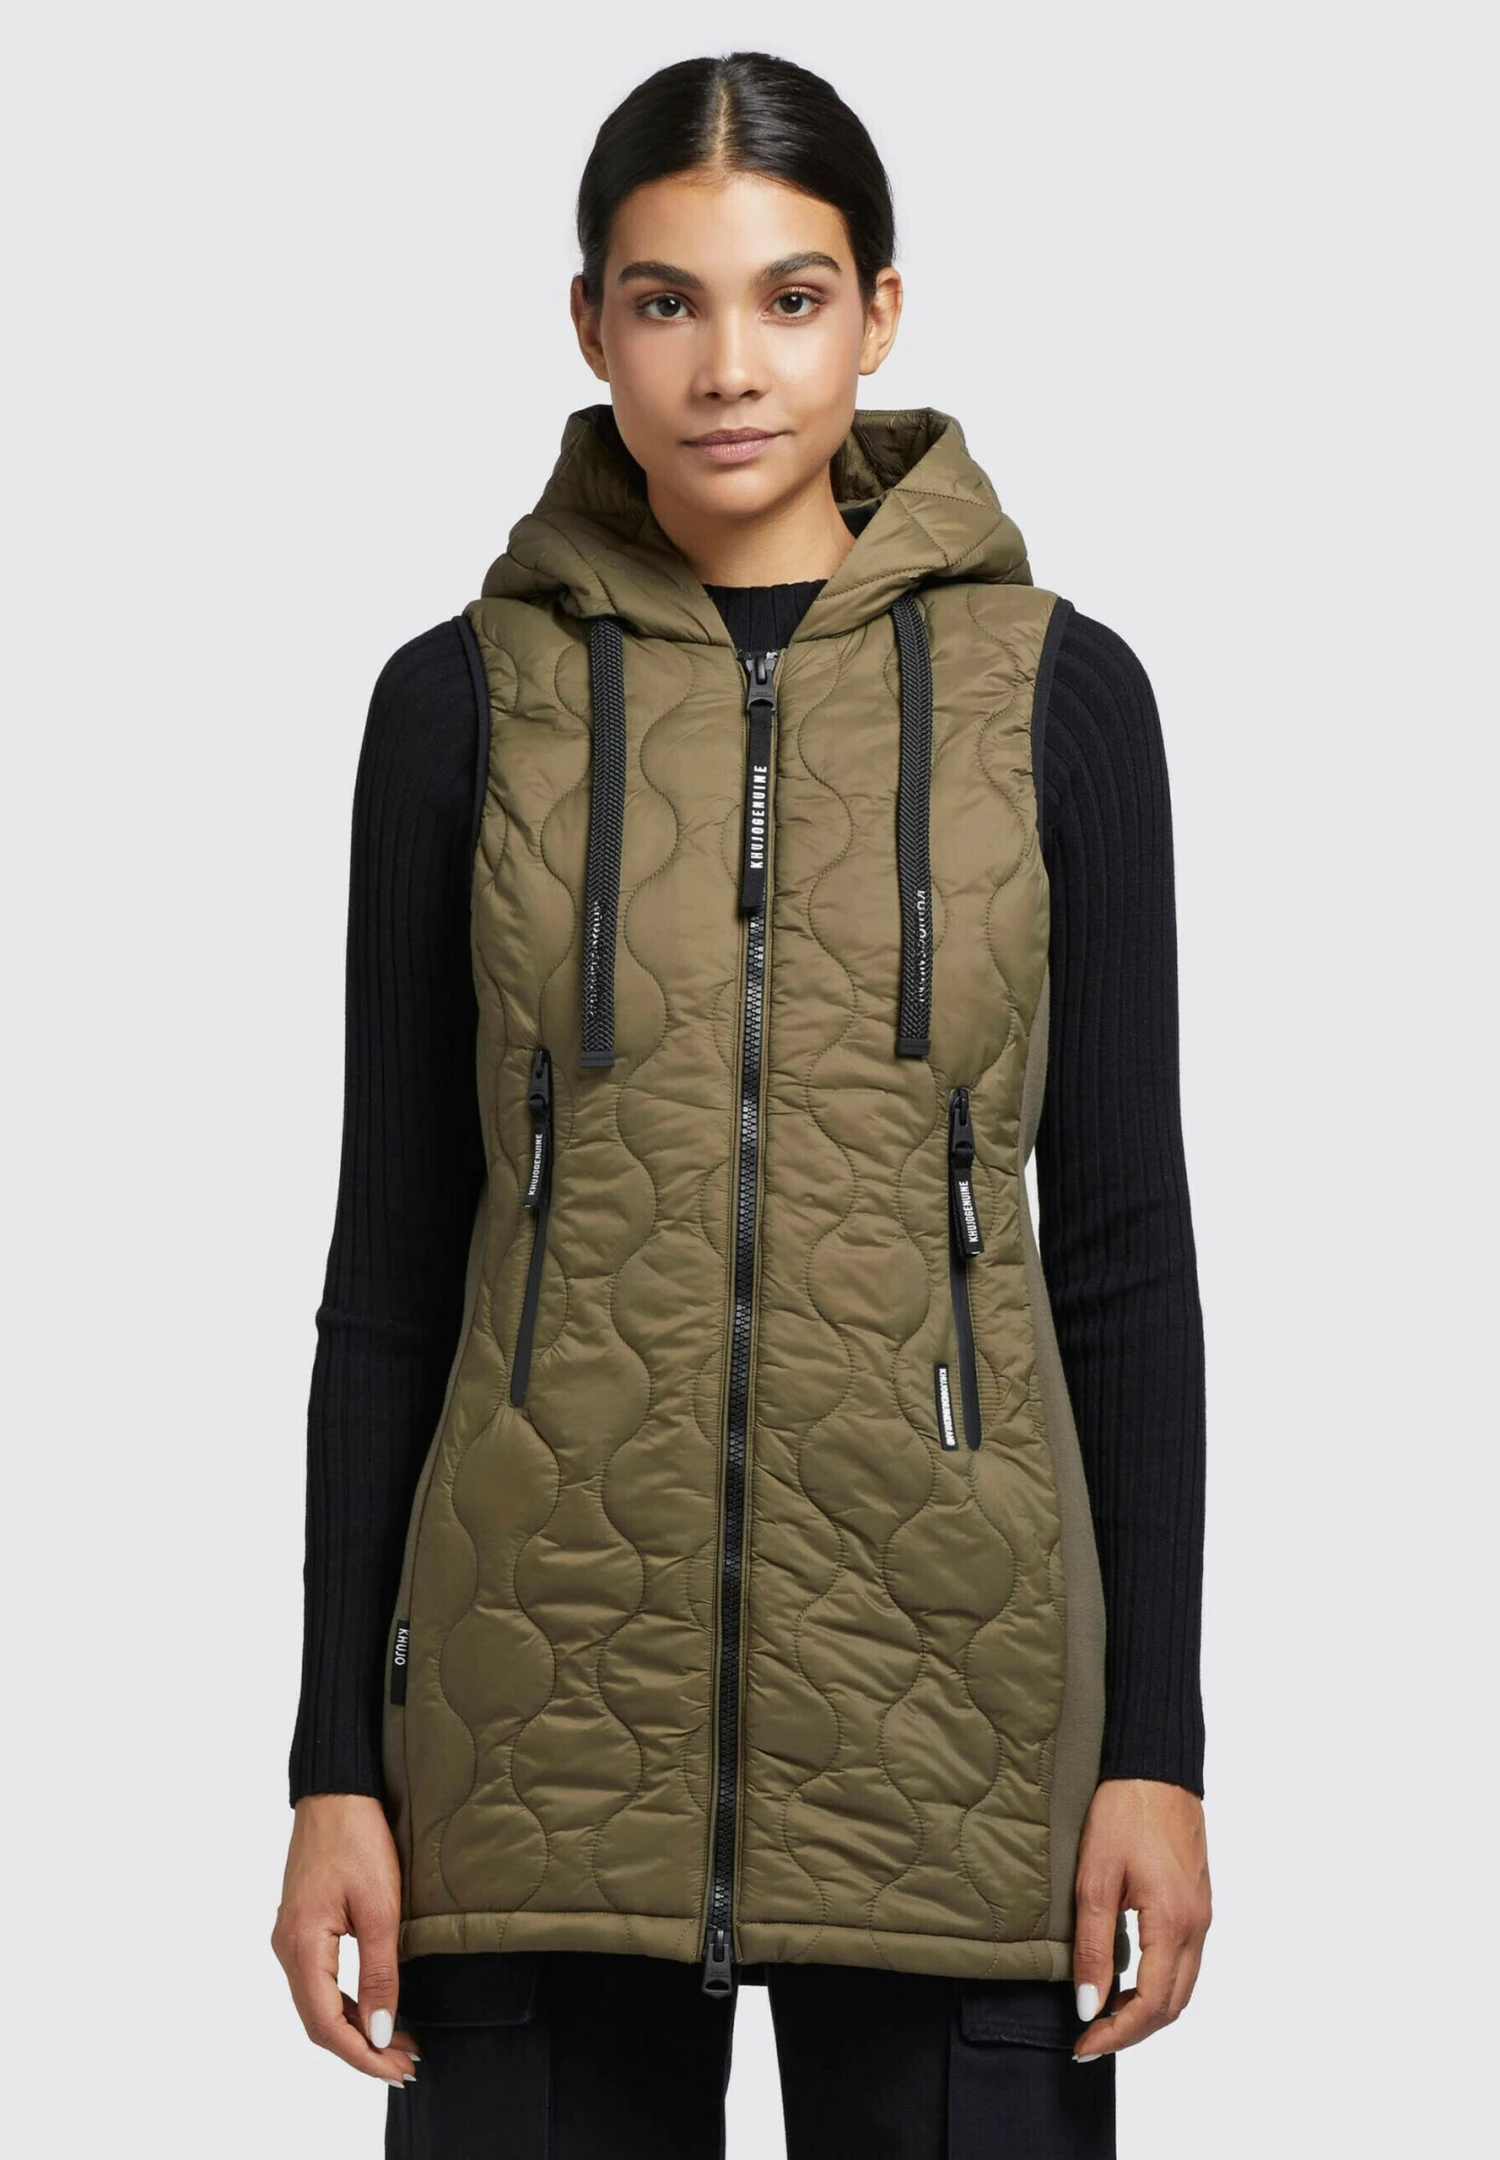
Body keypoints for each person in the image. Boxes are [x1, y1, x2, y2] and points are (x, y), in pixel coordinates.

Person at [271, 49, 1212, 2160]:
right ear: (588, 326)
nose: (727, 366)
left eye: (791, 298)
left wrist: (1157, 1745)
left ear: (881, 313)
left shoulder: (1056, 697)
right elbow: (395, 1270)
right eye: (666, 300)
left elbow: (1122, 1258)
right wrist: (336, 1760)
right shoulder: (461, 707)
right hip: (527, 1724)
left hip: (960, 1713)